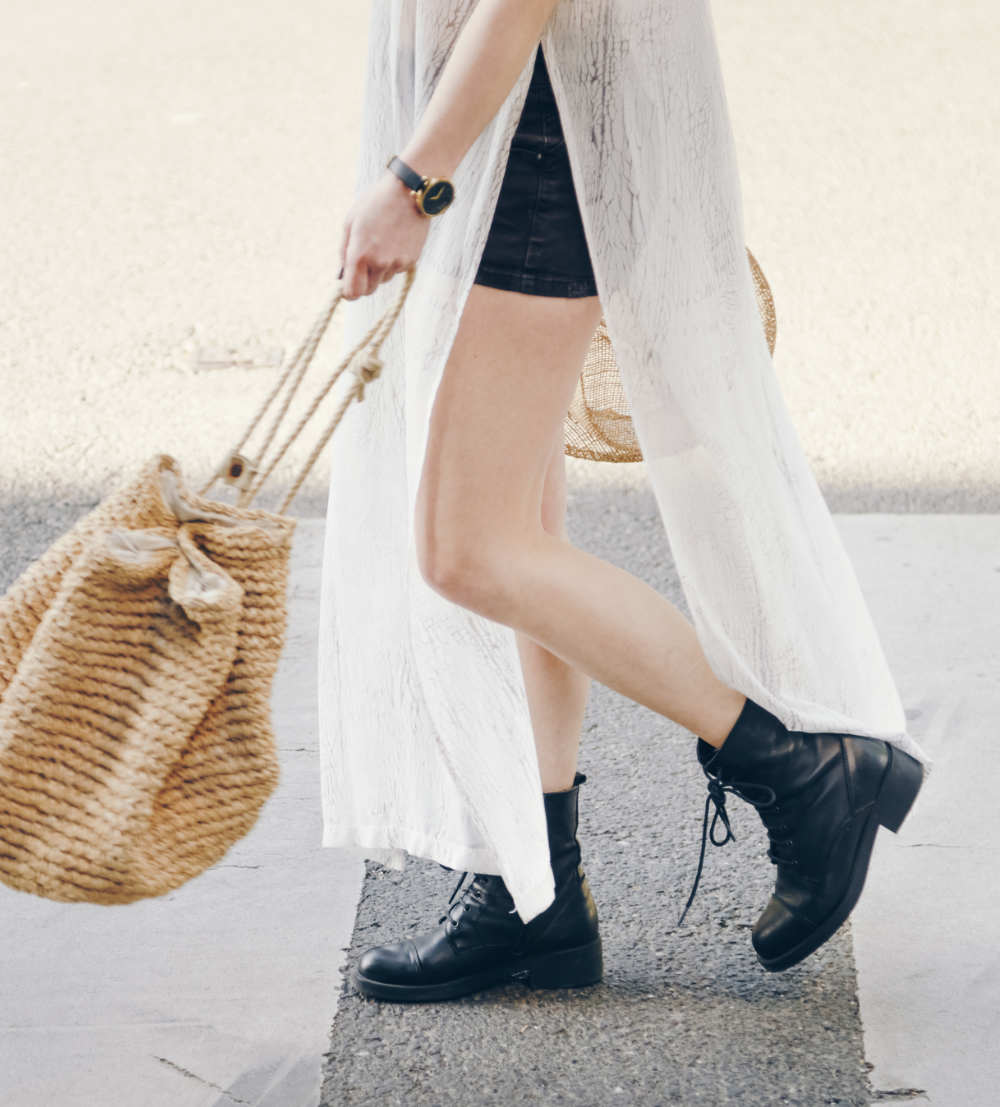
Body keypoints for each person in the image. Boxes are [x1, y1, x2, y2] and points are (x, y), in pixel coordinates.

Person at [324, 0, 928, 1003]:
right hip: (505, 121)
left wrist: (413, 176)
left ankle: (806, 773)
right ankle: (538, 903)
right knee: (521, 535)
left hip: (529, 133)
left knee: (466, 549)